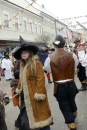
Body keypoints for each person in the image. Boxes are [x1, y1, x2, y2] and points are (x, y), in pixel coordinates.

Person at [13, 36, 53, 130]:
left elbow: (41, 79)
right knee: (30, 119)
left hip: (35, 96)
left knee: (41, 119)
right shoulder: (23, 65)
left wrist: (39, 94)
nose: (23, 54)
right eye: (22, 53)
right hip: (26, 98)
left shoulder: (36, 63)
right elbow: (22, 80)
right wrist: (18, 90)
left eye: (25, 52)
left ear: (30, 53)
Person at [44, 35, 79, 130]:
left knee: (64, 104)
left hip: (59, 85)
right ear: (64, 44)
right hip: (71, 83)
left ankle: (71, 124)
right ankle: (74, 113)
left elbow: (47, 69)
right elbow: (75, 65)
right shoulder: (72, 55)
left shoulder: (49, 58)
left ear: (55, 45)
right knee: (71, 99)